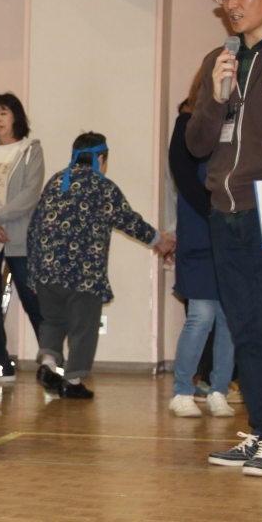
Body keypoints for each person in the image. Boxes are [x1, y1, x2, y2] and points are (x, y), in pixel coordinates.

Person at [186, 0, 262, 475]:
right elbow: (198, 145)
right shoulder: (219, 59)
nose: (233, 4)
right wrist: (217, 96)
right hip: (227, 212)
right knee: (245, 327)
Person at [27, 133, 176, 399]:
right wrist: (159, 240)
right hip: (84, 274)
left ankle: (48, 364)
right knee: (83, 328)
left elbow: (34, 227)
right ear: (101, 158)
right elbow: (128, 220)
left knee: (53, 320)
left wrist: (33, 275)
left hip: (46, 271)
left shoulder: (55, 182)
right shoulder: (101, 186)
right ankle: (72, 383)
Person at [168, 74, 236, 419]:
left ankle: (218, 389)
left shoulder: (238, 122)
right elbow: (182, 174)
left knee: (228, 318)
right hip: (201, 225)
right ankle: (182, 390)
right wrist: (213, 210)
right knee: (201, 314)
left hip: (233, 227)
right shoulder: (186, 123)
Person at [0, 93, 45, 382]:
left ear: (16, 116)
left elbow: (30, 193)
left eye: (3, 113)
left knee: (31, 299)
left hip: (17, 234)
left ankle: (52, 361)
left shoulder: (30, 149)